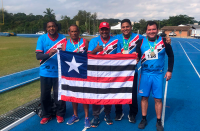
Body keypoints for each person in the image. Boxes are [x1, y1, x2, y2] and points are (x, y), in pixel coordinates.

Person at [136, 21, 174, 131]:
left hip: (158, 75)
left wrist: (169, 70)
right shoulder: (140, 42)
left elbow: (171, 56)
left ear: (157, 30)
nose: (151, 31)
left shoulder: (164, 42)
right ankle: (144, 119)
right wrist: (136, 58)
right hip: (145, 75)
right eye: (149, 29)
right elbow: (137, 56)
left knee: (158, 99)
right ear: (146, 31)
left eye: (153, 29)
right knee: (144, 97)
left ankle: (158, 121)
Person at [87, 22, 120, 127]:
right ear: (99, 30)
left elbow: (119, 57)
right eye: (102, 29)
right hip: (96, 73)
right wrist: (95, 50)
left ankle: (107, 114)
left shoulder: (115, 41)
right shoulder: (93, 41)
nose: (104, 31)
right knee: (96, 95)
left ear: (109, 29)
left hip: (110, 73)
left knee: (108, 94)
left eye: (106, 29)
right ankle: (96, 116)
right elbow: (87, 56)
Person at [36, 21, 66, 124]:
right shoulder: (42, 38)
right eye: (49, 27)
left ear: (57, 27)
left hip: (59, 73)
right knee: (45, 96)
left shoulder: (63, 38)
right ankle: (46, 115)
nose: (51, 28)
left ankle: (60, 114)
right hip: (45, 72)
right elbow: (38, 56)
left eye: (53, 26)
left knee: (60, 95)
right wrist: (49, 53)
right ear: (46, 28)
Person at [114, 19, 144, 123]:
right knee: (118, 92)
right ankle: (119, 112)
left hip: (132, 71)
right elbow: (115, 52)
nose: (125, 29)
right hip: (120, 71)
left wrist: (164, 39)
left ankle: (132, 113)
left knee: (132, 93)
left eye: (127, 27)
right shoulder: (117, 38)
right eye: (123, 27)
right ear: (121, 28)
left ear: (131, 27)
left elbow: (151, 39)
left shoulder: (139, 37)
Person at [61, 24, 90, 128]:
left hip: (83, 72)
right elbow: (63, 59)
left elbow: (90, 55)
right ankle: (75, 115)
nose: (74, 33)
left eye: (76, 31)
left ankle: (87, 117)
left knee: (84, 95)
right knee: (74, 95)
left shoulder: (85, 42)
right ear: (69, 33)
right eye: (72, 31)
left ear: (79, 32)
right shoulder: (65, 44)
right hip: (71, 74)